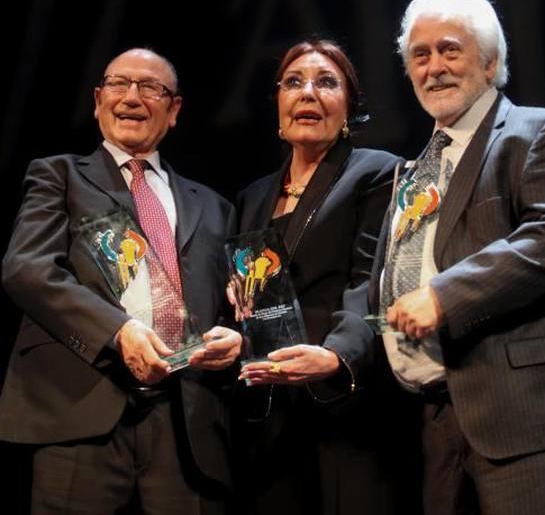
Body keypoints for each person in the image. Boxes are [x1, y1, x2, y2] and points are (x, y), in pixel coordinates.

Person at [371, 0, 545, 514]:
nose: (434, 67)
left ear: (491, 62)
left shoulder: (538, 132)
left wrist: (445, 296)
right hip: (438, 426)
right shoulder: (416, 168)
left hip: (530, 421)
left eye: (450, 50)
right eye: (420, 56)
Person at [0, 48, 242, 514]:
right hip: (81, 415)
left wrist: (236, 338)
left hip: (187, 429)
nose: (132, 97)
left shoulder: (215, 206)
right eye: (119, 84)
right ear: (97, 100)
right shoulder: (60, 176)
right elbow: (27, 267)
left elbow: (234, 308)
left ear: (174, 111)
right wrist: (118, 330)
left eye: (151, 88)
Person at [234, 39, 418, 515]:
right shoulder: (252, 197)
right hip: (272, 414)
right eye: (293, 82)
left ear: (349, 107)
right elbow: (248, 296)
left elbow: (370, 281)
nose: (308, 93)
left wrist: (338, 356)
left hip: (347, 406)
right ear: (277, 103)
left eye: (326, 83)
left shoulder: (377, 173)